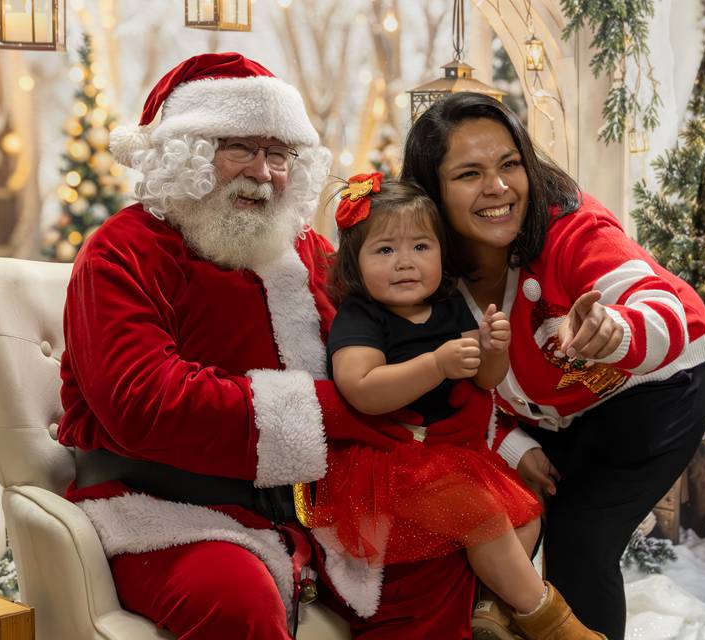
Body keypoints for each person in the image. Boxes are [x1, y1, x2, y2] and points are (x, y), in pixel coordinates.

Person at [57, 53, 492, 640]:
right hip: (167, 508)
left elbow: (396, 348)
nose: (263, 173)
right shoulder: (121, 251)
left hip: (319, 503)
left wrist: (489, 435)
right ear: (186, 153)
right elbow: (143, 403)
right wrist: (334, 411)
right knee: (236, 602)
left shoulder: (309, 252)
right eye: (241, 148)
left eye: (279, 153)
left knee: (437, 558)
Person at [400, 92, 705, 640]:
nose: (497, 188)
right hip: (551, 410)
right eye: (469, 173)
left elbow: (662, 309)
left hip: (657, 387)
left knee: (582, 535)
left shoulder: (572, 227)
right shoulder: (426, 266)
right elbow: (452, 388)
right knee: (499, 510)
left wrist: (616, 330)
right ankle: (501, 614)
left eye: (509, 164)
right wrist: (515, 446)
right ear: (433, 191)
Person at [309, 174, 604, 640]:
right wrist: (436, 363)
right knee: (482, 516)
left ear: (442, 253)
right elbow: (360, 387)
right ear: (354, 263)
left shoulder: (447, 306)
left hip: (451, 458)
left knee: (526, 514)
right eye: (385, 250)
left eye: (421, 247)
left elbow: (486, 381)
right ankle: (550, 621)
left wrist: (493, 348)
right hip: (390, 464)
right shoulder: (362, 316)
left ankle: (488, 607)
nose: (405, 263)